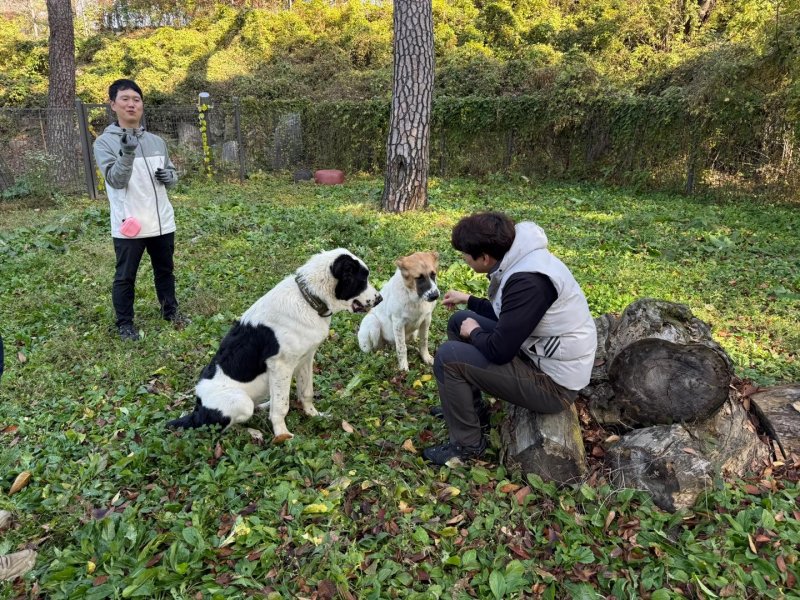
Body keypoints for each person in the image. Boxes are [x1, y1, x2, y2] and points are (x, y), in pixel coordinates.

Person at [422, 212, 597, 466]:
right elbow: (511, 315)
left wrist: (475, 332)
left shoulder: (529, 281)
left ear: (484, 257)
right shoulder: (520, 257)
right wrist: (468, 300)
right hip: (539, 355)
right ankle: (471, 410)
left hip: (554, 386)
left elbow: (500, 350)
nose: (463, 258)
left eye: (466, 255)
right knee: (458, 321)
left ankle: (467, 445)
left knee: (449, 357)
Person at [93, 79, 187, 341]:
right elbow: (116, 180)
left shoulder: (157, 141)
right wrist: (127, 152)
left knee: (165, 271)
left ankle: (171, 312)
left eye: (136, 99)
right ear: (113, 105)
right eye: (124, 99)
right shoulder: (104, 143)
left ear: (142, 105)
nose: (131, 104)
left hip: (161, 221)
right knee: (125, 277)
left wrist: (171, 177)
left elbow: (171, 172)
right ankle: (125, 324)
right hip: (129, 223)